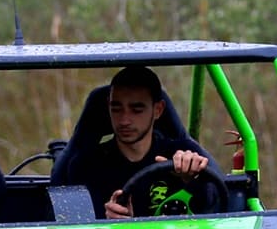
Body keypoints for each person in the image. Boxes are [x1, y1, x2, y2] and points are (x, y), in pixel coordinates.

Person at [68, 65, 213, 217]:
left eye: (136, 110)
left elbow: (212, 210)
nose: (124, 120)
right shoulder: (86, 165)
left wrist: (193, 180)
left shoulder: (181, 155)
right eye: (116, 109)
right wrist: (107, 220)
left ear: (158, 110)